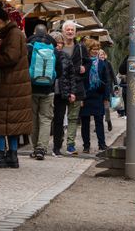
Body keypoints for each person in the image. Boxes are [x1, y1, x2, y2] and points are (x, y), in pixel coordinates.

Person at [0, 2, 32, 169]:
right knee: (11, 121)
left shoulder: (13, 34)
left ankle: (0, 152)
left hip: (10, 85)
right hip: (13, 85)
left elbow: (10, 57)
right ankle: (11, 154)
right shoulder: (14, 33)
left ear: (0, 20)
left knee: (0, 119)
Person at [26, 23, 56, 160]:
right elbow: (59, 70)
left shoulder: (29, 47)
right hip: (48, 89)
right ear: (48, 32)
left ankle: (34, 148)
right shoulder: (53, 48)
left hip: (31, 88)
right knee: (45, 119)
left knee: (32, 118)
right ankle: (41, 148)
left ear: (34, 31)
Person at [58, 20, 89, 154]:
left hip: (77, 85)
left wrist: (85, 68)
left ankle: (70, 144)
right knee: (59, 116)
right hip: (60, 86)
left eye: (72, 30)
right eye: (68, 29)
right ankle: (58, 142)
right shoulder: (58, 47)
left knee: (73, 117)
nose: (70, 32)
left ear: (75, 33)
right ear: (63, 32)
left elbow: (88, 63)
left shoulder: (81, 48)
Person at [80, 40, 114, 153]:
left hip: (98, 95)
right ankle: (86, 146)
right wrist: (80, 96)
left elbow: (107, 80)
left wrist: (106, 97)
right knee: (85, 122)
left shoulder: (102, 63)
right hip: (86, 95)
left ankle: (102, 144)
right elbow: (80, 79)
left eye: (97, 49)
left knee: (99, 121)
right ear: (88, 50)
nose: (95, 51)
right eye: (93, 49)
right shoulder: (83, 63)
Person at [49, 31, 74, 156]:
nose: (59, 45)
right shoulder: (47, 55)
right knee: (48, 119)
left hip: (62, 93)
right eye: (56, 43)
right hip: (49, 91)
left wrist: (71, 92)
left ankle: (57, 147)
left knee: (59, 120)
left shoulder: (66, 56)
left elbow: (71, 76)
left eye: (61, 43)